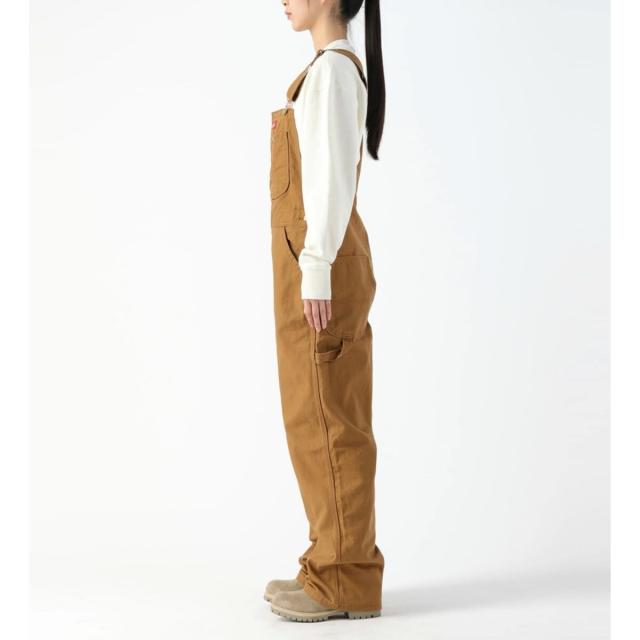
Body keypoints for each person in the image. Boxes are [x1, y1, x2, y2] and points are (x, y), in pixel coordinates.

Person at [266, 0, 386, 623]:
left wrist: (315, 268)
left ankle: (343, 578)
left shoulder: (335, 70)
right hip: (314, 259)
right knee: (312, 416)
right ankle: (330, 562)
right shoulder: (325, 70)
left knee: (329, 420)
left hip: (322, 263)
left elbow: (331, 182)